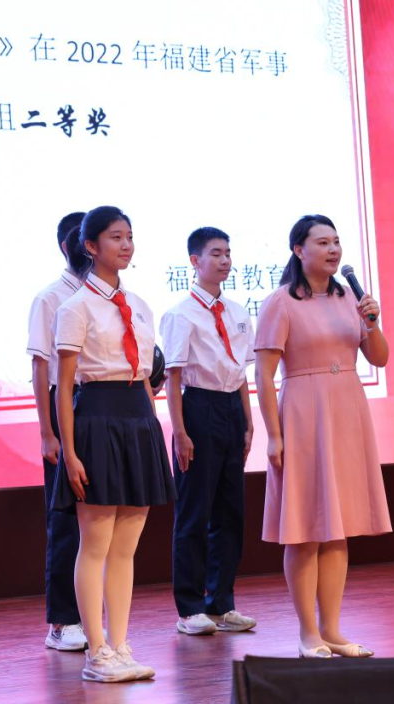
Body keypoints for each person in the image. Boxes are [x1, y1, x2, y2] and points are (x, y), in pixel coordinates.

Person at [254, 214, 391, 659]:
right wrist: (273, 436)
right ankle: (308, 633)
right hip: (303, 413)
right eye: (322, 243)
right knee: (305, 529)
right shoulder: (281, 302)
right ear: (299, 250)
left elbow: (380, 358)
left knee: (338, 528)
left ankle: (332, 629)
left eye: (336, 242)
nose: (333, 250)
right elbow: (264, 374)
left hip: (347, 410)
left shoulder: (349, 296)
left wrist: (372, 321)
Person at [52, 205, 175, 682]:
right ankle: (97, 652)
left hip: (137, 419)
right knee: (96, 543)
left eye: (129, 236)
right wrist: (70, 452)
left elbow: (144, 375)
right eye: (115, 237)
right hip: (97, 420)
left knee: (126, 547)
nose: (126, 245)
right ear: (90, 246)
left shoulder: (139, 304)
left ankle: (120, 645)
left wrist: (152, 428)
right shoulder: (74, 307)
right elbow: (65, 386)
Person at [160, 227, 257, 636]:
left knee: (231, 512)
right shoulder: (180, 314)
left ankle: (222, 603)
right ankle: (189, 608)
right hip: (197, 409)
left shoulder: (237, 311)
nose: (225, 260)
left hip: (231, 409)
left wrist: (248, 421)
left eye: (228, 253)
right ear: (195, 261)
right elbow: (173, 377)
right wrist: (181, 432)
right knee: (194, 513)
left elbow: (241, 373)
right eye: (215, 253)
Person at [26, 212, 87, 651]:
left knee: (101, 518)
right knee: (65, 518)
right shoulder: (51, 298)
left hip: (102, 406)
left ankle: (95, 617)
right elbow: (40, 364)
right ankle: (63, 621)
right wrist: (47, 432)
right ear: (72, 246)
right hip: (63, 402)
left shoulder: (108, 297)